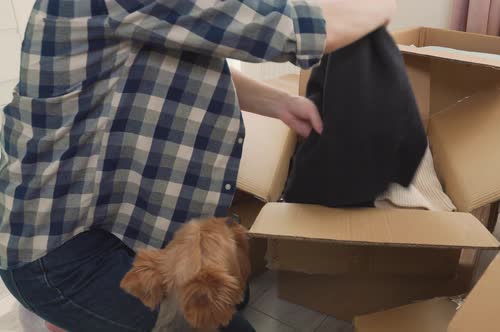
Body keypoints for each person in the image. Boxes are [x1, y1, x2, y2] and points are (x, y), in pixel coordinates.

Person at [0, 0, 396, 331]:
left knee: (220, 303)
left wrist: (278, 103)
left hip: (104, 229)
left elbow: (178, 53)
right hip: (59, 250)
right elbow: (291, 28)